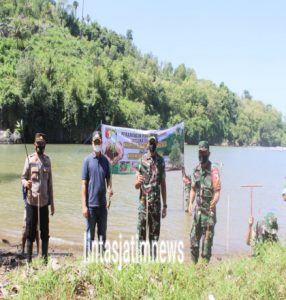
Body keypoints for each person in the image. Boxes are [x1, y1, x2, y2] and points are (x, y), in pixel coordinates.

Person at [21, 133, 55, 263]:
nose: (40, 147)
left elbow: (50, 183)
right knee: (30, 232)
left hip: (44, 203)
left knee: (45, 232)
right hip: (32, 202)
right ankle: (29, 261)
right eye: (38, 144)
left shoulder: (47, 160)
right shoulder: (29, 160)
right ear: (34, 145)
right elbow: (23, 177)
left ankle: (45, 260)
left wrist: (52, 203)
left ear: (45, 145)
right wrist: (26, 183)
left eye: (42, 144)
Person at [134, 134, 167, 257]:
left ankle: (153, 262)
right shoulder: (141, 161)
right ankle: (140, 261)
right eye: (150, 142)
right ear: (147, 144)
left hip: (156, 206)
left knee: (154, 235)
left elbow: (163, 184)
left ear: (157, 144)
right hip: (143, 205)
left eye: (154, 142)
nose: (152, 145)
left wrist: (165, 206)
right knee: (141, 233)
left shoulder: (161, 161)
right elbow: (136, 184)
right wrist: (137, 182)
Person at [188, 141, 221, 263]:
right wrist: (190, 203)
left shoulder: (214, 171)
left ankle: (203, 271)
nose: (202, 154)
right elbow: (193, 188)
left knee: (206, 247)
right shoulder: (196, 170)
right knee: (193, 242)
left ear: (209, 153)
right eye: (200, 152)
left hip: (209, 214)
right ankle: (193, 267)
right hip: (198, 214)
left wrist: (215, 200)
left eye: (204, 152)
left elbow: (217, 191)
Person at [82, 131, 113, 255]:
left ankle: (101, 260)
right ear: (92, 143)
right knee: (90, 236)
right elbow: (83, 184)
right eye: (95, 141)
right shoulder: (87, 161)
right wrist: (84, 206)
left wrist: (110, 190)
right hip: (90, 206)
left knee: (102, 236)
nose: (97, 143)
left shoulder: (106, 161)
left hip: (102, 206)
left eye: (99, 141)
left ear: (101, 142)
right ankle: (88, 260)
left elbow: (109, 179)